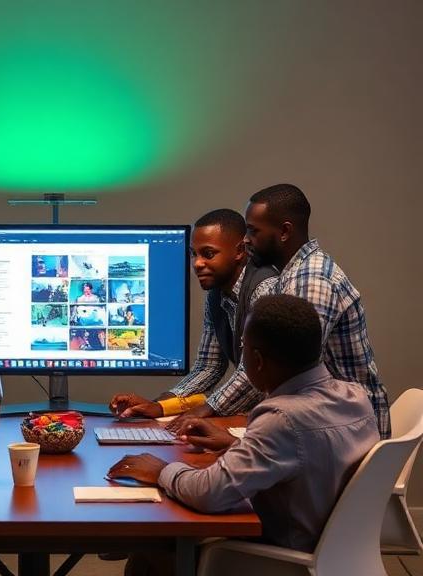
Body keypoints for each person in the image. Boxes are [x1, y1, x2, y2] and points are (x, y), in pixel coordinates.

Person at [108, 294, 379, 574]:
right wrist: (235, 444)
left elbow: (208, 493)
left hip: (284, 562)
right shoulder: (355, 397)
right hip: (339, 557)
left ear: (257, 360)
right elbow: (306, 456)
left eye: (243, 347)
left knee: (151, 550)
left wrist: (160, 470)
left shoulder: (281, 418)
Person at [191, 184, 390, 438]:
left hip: (352, 429)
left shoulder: (311, 279)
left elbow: (286, 369)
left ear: (284, 231)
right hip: (331, 421)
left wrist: (214, 414)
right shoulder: (293, 274)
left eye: (253, 231)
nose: (246, 240)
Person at [109, 209, 276, 419]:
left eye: (208, 254)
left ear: (240, 251)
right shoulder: (216, 294)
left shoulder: (264, 289)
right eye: (193, 254)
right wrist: (159, 405)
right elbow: (209, 366)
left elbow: (252, 375)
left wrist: (201, 411)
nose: (197, 263)